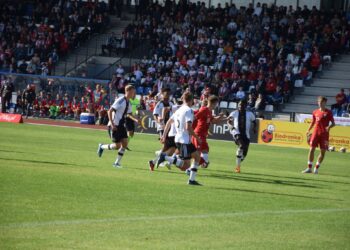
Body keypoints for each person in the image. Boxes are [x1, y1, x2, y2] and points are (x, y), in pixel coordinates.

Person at [157, 92, 202, 185]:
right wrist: (197, 138)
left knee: (197, 157)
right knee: (185, 166)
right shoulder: (189, 110)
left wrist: (164, 135)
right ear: (192, 100)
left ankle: (192, 180)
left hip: (180, 139)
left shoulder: (179, 110)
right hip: (183, 140)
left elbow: (169, 121)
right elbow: (188, 127)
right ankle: (165, 157)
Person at [97, 85, 138, 168]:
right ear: (128, 91)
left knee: (125, 144)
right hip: (114, 125)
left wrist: (136, 119)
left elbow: (129, 114)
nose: (134, 94)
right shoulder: (120, 100)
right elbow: (110, 111)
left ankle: (116, 163)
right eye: (133, 92)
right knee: (117, 146)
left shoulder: (129, 102)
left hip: (121, 126)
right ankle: (102, 146)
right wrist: (112, 124)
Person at [303, 96, 335, 174]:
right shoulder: (315, 112)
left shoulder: (328, 112)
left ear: (325, 103)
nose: (319, 103)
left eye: (321, 102)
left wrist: (329, 127)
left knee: (323, 152)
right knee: (311, 150)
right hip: (315, 133)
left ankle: (316, 168)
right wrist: (308, 130)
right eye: (318, 102)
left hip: (324, 135)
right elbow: (313, 122)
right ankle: (309, 168)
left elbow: (333, 123)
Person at [191, 95, 224, 168]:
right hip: (198, 134)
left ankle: (195, 167)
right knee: (201, 154)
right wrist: (190, 128)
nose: (216, 105)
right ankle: (191, 168)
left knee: (204, 151)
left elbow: (214, 121)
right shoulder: (204, 110)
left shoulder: (209, 111)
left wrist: (224, 118)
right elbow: (195, 117)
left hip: (202, 135)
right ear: (213, 103)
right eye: (216, 104)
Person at [227, 100, 256, 173]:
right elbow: (229, 121)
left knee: (244, 153)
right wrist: (231, 126)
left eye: (242, 105)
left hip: (246, 135)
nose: (240, 106)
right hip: (236, 133)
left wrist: (254, 128)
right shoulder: (234, 113)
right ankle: (237, 167)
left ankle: (239, 158)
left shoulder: (250, 114)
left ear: (245, 106)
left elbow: (254, 122)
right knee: (241, 146)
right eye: (239, 105)